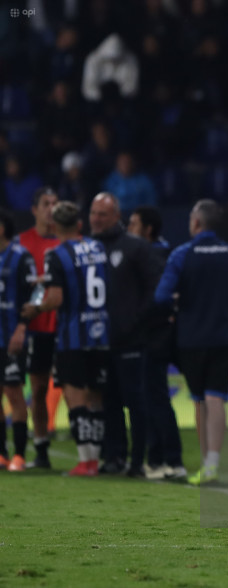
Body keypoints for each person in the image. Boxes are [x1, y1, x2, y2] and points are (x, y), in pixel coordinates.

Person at [154, 199, 228, 486]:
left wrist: (181, 300)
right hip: (223, 336)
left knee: (199, 400)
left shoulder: (182, 254)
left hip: (191, 339)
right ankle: (213, 463)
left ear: (196, 223)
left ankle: (204, 462)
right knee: (216, 397)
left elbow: (162, 297)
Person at [21, 201, 110, 476]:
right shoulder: (98, 248)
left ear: (54, 226)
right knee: (96, 397)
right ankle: (96, 458)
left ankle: (86, 461)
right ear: (80, 224)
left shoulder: (56, 254)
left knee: (76, 396)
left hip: (73, 335)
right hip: (102, 332)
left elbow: (56, 298)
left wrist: (34, 308)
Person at [90, 193, 161, 477]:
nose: (95, 219)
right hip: (99, 341)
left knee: (135, 401)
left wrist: (134, 323)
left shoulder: (135, 247)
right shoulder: (89, 248)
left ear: (116, 217)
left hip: (130, 340)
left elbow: (155, 289)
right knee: (109, 402)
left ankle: (136, 461)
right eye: (93, 213)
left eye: (102, 214)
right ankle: (114, 457)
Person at [128, 206, 185, 480]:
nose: (129, 228)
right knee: (153, 397)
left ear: (147, 229)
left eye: (134, 224)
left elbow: (160, 299)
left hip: (156, 335)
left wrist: (135, 320)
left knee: (155, 397)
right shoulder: (165, 253)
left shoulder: (155, 256)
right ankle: (161, 459)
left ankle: (168, 460)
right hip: (156, 333)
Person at [17, 187, 60, 468]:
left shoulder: (66, 242)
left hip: (66, 327)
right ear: (34, 210)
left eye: (55, 204)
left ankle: (94, 451)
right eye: (46, 204)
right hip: (37, 328)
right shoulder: (21, 244)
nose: (51, 209)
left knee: (78, 388)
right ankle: (41, 449)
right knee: (39, 388)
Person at [0, 209, 37, 471]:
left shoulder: (20, 257)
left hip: (12, 337)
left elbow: (36, 294)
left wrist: (22, 328)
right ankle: (1, 454)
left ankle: (20, 455)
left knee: (14, 394)